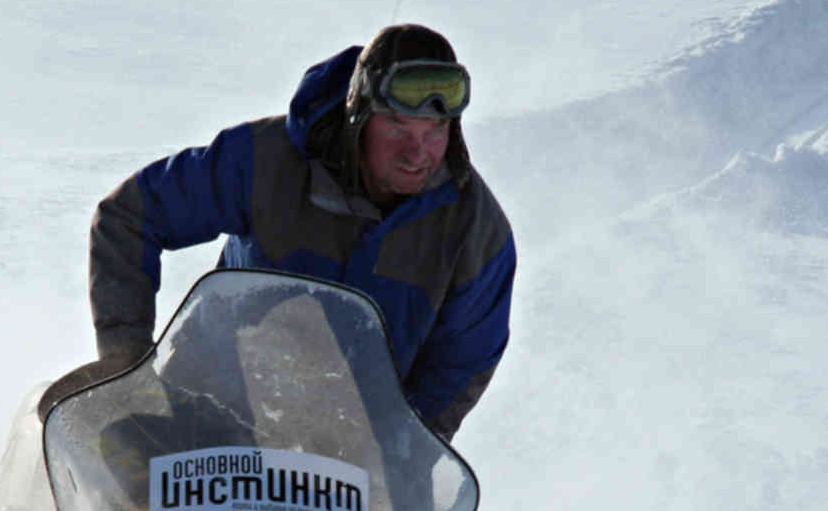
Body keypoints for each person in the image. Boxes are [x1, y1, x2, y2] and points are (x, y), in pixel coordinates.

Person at [41, 24, 516, 443]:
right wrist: (125, 357)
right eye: (397, 127)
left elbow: (460, 368)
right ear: (358, 116)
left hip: (348, 467)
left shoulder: (477, 234)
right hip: (202, 419)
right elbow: (131, 214)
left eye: (436, 131)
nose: (419, 152)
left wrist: (408, 458)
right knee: (104, 458)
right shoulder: (267, 162)